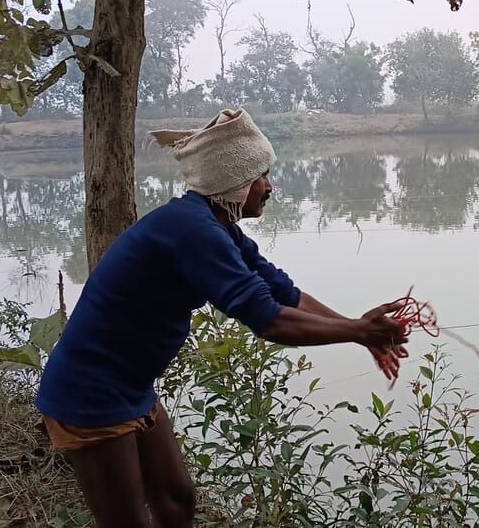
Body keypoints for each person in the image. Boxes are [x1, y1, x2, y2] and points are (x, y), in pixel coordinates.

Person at [34, 108, 410, 528]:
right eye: (262, 177)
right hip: (90, 392)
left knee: (177, 498)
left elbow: (284, 293)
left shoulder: (219, 228)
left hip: (129, 385)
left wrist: (358, 329)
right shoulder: (192, 231)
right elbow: (269, 320)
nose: (270, 187)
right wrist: (357, 332)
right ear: (238, 183)